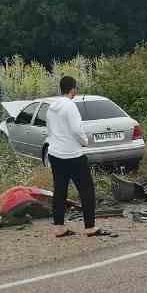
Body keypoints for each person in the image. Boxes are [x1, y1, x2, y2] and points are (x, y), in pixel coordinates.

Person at [46, 75, 111, 238]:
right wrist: (85, 142)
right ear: (73, 89)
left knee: (60, 190)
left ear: (61, 88)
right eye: (76, 88)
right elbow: (76, 130)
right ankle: (90, 227)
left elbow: (50, 130)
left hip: (55, 153)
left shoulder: (51, 107)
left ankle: (59, 227)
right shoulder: (70, 106)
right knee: (86, 189)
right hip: (72, 154)